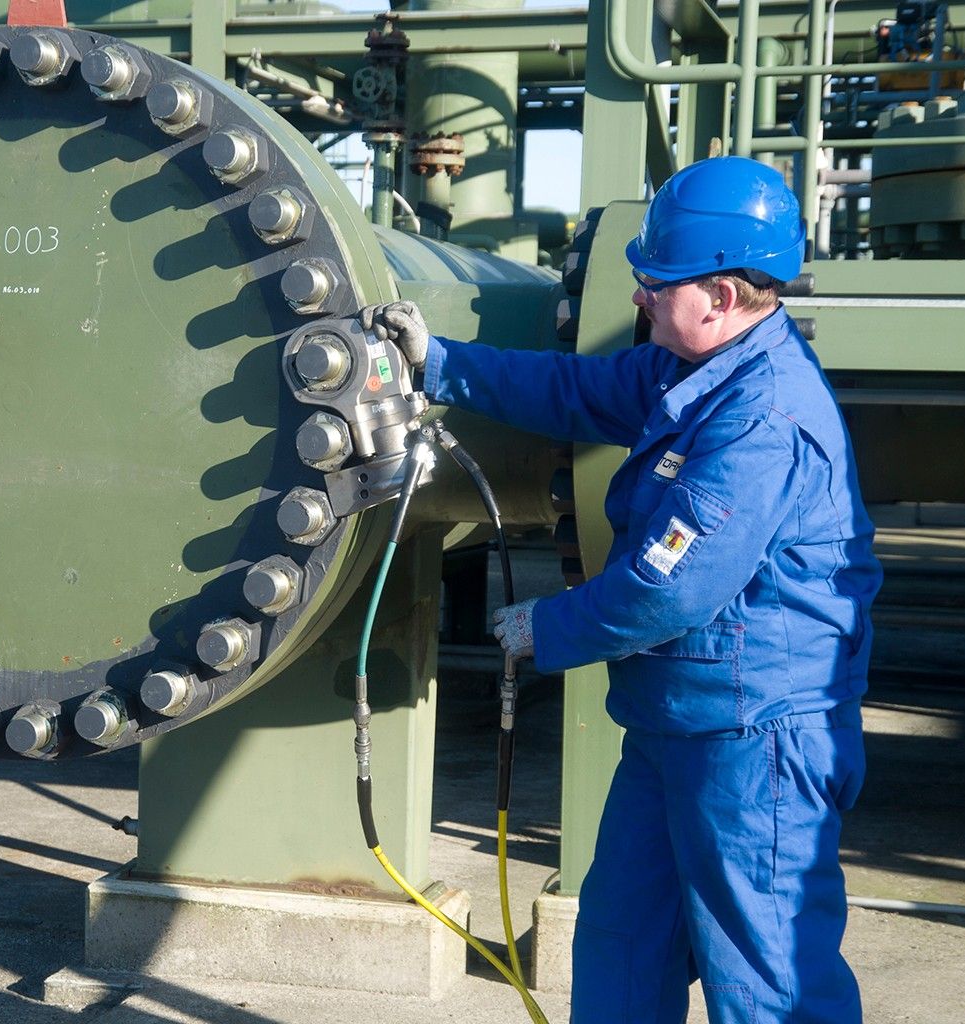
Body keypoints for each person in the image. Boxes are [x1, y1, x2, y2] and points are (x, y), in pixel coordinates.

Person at [365, 156, 881, 1023]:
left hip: (755, 739)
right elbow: (571, 389)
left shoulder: (763, 419)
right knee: (622, 945)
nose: (639, 294)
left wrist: (547, 625)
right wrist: (437, 362)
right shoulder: (687, 369)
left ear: (720, 296)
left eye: (657, 282)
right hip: (674, 719)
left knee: (768, 981)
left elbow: (666, 590)